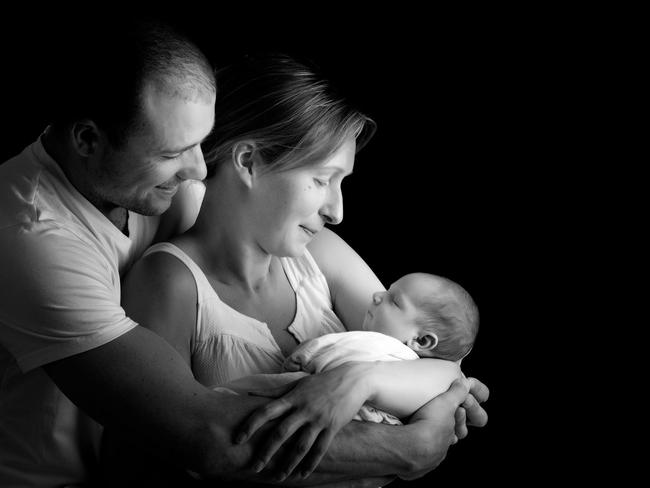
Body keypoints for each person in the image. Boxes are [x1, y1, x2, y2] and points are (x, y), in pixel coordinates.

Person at [114, 52, 489, 485]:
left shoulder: (321, 254)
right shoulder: (170, 285)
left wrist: (357, 382)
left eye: (342, 183)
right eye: (322, 179)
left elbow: (438, 366)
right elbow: (146, 459)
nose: (337, 210)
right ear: (249, 161)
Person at [225, 272, 479, 426]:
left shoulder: (377, 345)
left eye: (395, 301)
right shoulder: (423, 378)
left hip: (331, 411)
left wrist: (300, 358)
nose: (378, 295)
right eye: (387, 290)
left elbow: (324, 351)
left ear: (421, 341)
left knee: (246, 393)